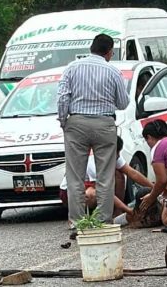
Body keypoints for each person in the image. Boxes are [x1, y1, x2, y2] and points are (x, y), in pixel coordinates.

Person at [57, 33, 129, 226]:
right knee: (105, 176)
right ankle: (103, 222)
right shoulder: (113, 72)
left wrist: (65, 122)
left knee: (75, 177)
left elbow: (63, 97)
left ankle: (77, 223)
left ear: (91, 48)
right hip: (104, 124)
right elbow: (123, 103)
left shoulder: (71, 68)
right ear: (109, 52)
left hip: (76, 122)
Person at [59, 136, 154, 219]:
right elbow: (103, 191)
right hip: (70, 193)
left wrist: (156, 188)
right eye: (117, 153)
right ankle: (86, 216)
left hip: (89, 186)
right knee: (92, 194)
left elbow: (133, 173)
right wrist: (129, 210)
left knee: (118, 174)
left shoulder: (112, 155)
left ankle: (117, 212)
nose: (118, 156)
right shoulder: (93, 161)